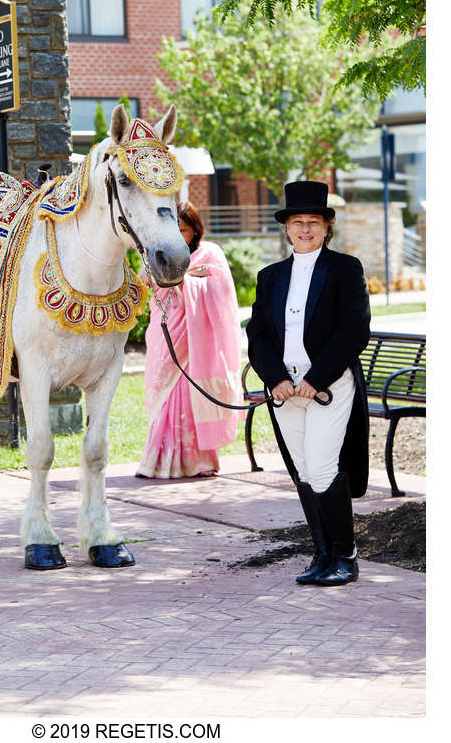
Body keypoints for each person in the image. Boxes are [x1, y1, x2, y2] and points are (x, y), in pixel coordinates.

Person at [246, 181, 371, 586]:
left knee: (320, 467)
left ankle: (346, 556)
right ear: (286, 228)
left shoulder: (344, 269)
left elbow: (354, 331)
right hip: (286, 392)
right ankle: (323, 554)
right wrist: (277, 379)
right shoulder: (270, 276)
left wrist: (314, 379)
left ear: (326, 226)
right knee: (303, 470)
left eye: (313, 222)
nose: (304, 229)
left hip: (328, 387)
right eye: (297, 222)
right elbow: (257, 335)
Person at [136, 201, 244, 479]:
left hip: (196, 338)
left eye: (183, 230)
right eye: (173, 230)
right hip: (166, 330)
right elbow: (144, 279)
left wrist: (185, 279)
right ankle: (159, 459)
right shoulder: (159, 252)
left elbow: (220, 290)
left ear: (195, 231)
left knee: (186, 391)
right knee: (165, 393)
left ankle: (196, 460)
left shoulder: (209, 254)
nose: (177, 236)